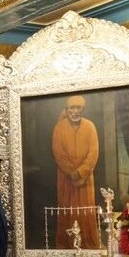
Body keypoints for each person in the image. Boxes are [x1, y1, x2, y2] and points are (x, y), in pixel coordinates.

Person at [51, 95, 100, 249]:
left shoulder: (90, 126)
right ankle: (66, 246)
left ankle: (88, 245)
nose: (75, 111)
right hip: (65, 178)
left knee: (86, 211)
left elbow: (93, 153)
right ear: (67, 109)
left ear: (82, 109)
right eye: (72, 108)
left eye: (78, 107)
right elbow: (58, 153)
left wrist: (81, 173)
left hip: (86, 179)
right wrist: (72, 173)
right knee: (67, 210)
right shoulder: (59, 127)